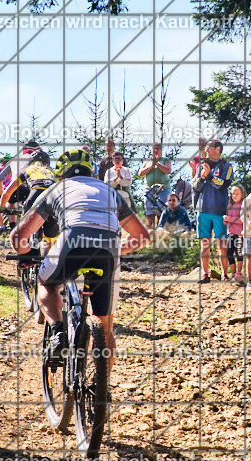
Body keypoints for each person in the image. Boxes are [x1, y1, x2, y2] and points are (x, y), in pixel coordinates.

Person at [11, 148, 150, 373]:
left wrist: (26, 253)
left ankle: (57, 331)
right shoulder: (109, 191)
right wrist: (116, 250)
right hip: (107, 251)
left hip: (72, 243)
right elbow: (142, 236)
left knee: (47, 284)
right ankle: (101, 390)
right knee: (105, 329)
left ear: (60, 173)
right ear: (92, 171)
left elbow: (18, 237)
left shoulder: (57, 189)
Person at [193, 139, 234, 283]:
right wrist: (203, 177)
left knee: (222, 244)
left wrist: (209, 176)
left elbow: (222, 185)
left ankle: (224, 274)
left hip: (220, 211)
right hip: (203, 210)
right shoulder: (202, 166)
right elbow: (195, 187)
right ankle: (205, 274)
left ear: (217, 149)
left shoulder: (227, 166)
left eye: (209, 147)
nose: (206, 149)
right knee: (205, 243)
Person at [139, 143, 173, 229]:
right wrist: (151, 165)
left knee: (161, 212)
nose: (155, 150)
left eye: (157, 148)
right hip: (149, 190)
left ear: (161, 150)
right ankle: (149, 232)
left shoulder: (165, 160)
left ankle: (160, 232)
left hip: (163, 190)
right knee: (149, 212)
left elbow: (168, 171)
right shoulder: (147, 161)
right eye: (154, 149)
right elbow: (141, 173)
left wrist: (157, 164)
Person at [223, 185, 245, 281]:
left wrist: (230, 219)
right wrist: (225, 220)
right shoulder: (230, 206)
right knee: (229, 253)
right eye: (233, 194)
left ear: (242, 195)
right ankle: (233, 274)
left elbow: (242, 220)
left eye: (237, 194)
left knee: (239, 253)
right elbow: (228, 221)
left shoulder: (242, 206)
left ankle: (239, 274)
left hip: (240, 233)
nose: (235, 196)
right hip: (231, 233)